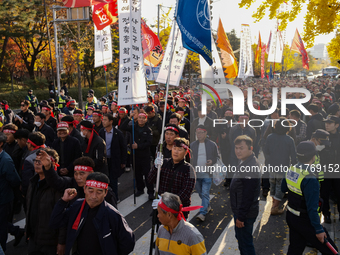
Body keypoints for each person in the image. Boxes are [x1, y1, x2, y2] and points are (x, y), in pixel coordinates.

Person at [49, 172, 135, 255]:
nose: (94, 196)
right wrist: (63, 201)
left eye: (99, 192)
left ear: (105, 193)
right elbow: (55, 223)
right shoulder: (77, 206)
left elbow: (128, 244)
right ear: (84, 189)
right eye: (90, 191)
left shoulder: (113, 215)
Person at [282, 141, 338, 254]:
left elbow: (284, 188)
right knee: (332, 252)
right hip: (306, 221)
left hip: (291, 216)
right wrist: (318, 229)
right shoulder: (310, 179)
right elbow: (312, 209)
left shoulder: (291, 169)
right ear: (314, 156)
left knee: (295, 249)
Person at [26, 148, 65, 255]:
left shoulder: (58, 187)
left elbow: (62, 217)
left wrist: (61, 242)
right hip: (34, 238)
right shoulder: (33, 182)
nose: (37, 164)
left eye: (41, 161)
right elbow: (29, 208)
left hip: (50, 241)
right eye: (36, 161)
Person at [229, 135, 261, 255]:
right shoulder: (244, 160)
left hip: (245, 213)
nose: (238, 151)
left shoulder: (251, 167)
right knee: (241, 239)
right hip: (241, 209)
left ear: (250, 148)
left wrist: (241, 216)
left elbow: (248, 195)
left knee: (245, 243)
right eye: (236, 148)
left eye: (241, 148)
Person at [148, 138, 196, 216]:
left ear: (186, 152)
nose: (176, 152)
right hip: (161, 209)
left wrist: (166, 201)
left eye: (179, 149)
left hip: (178, 212)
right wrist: (155, 167)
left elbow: (185, 194)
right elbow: (150, 180)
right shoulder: (164, 163)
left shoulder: (189, 169)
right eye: (174, 148)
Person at [264, 118, 297, 215]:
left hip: (271, 166)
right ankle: (275, 207)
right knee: (280, 187)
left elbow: (266, 151)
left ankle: (274, 204)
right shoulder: (289, 140)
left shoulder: (270, 137)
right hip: (283, 166)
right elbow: (293, 156)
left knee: (273, 186)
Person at [190, 125, 218, 222]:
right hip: (196, 173)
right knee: (201, 193)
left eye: (201, 132)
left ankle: (202, 213)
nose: (199, 134)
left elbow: (217, 157)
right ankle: (207, 205)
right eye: (197, 133)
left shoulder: (212, 144)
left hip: (207, 173)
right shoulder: (192, 145)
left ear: (206, 133)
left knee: (205, 193)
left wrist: (212, 161)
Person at [0, 132, 21, 252]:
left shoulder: (6, 160)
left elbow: (14, 180)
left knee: (1, 226)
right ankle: (17, 231)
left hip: (3, 199)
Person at [99, 113, 127, 202]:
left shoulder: (118, 133)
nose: (103, 121)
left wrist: (123, 161)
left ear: (111, 121)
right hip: (104, 160)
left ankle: (115, 198)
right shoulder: (101, 132)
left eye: (105, 120)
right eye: (103, 120)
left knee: (113, 179)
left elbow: (123, 148)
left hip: (114, 160)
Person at [128, 112, 154, 199]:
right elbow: (123, 127)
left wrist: (138, 146)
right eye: (140, 117)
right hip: (135, 155)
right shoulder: (133, 127)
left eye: (143, 118)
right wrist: (130, 117)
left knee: (147, 174)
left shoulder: (148, 130)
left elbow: (149, 143)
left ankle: (150, 192)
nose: (141, 119)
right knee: (137, 173)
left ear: (146, 119)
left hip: (145, 155)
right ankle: (140, 189)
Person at [21, 132, 46, 197]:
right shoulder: (49, 154)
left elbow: (27, 180)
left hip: (33, 192)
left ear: (30, 144)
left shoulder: (29, 159)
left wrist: (24, 192)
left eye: (28, 143)